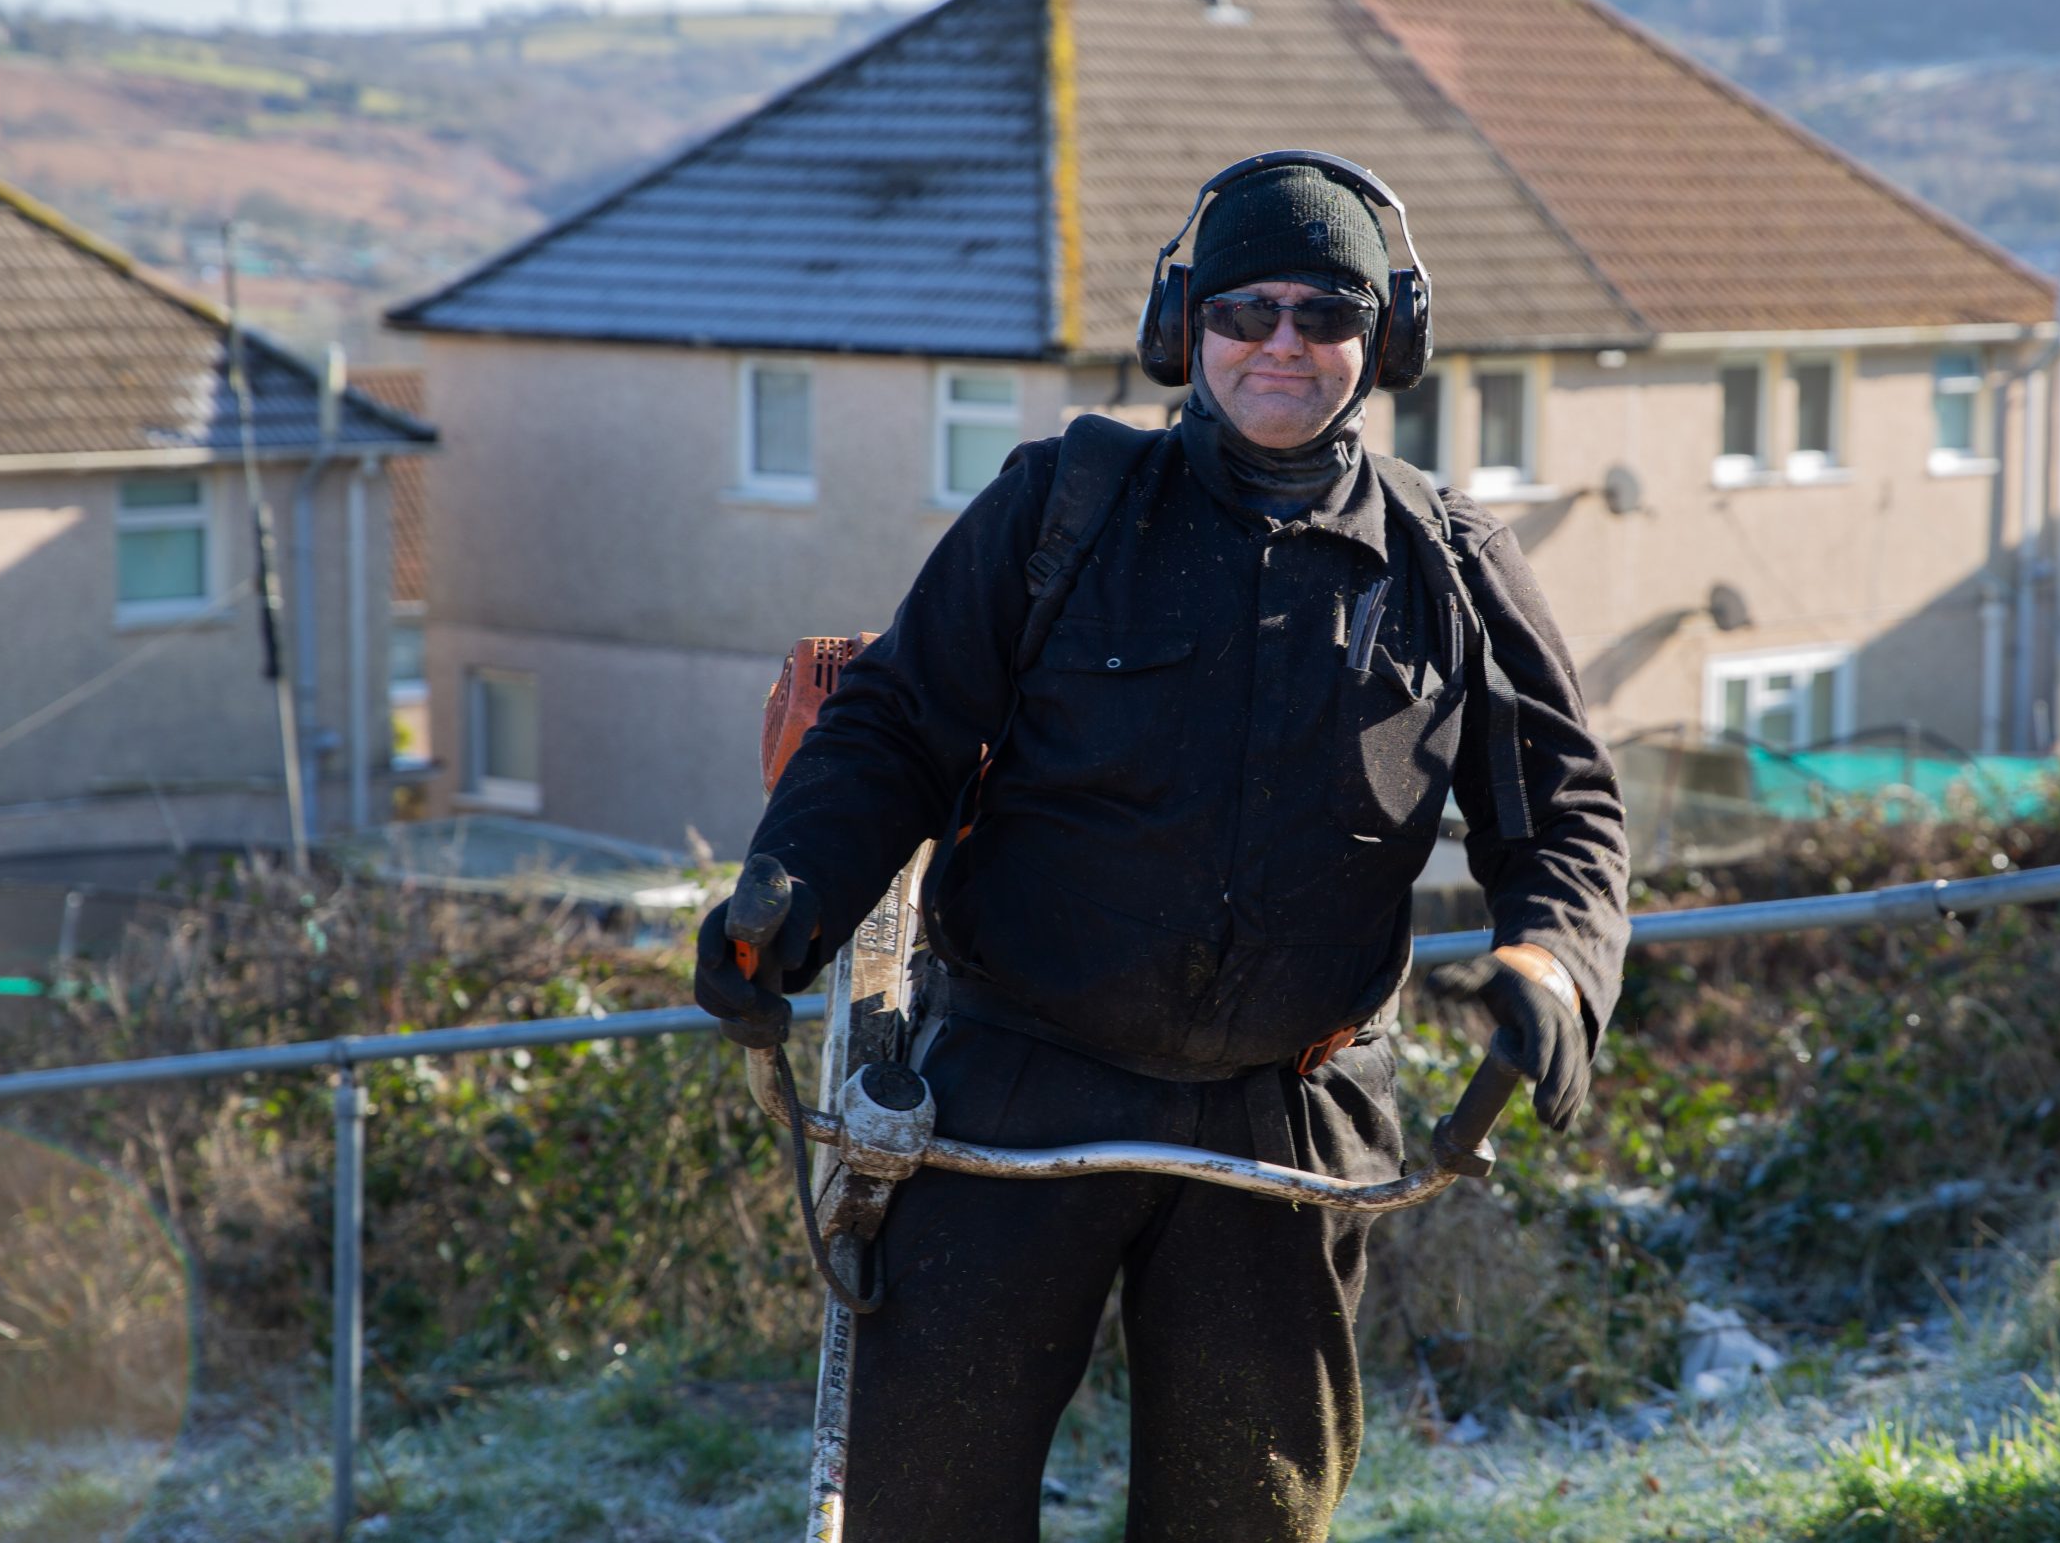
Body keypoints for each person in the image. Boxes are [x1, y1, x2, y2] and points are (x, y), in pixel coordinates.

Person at [693, 154, 1629, 1542]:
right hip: (1016, 1087)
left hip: (1288, 1125)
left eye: (1327, 314)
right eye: (1247, 310)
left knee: (1244, 1522)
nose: (1283, 345)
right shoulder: (1058, 509)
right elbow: (893, 730)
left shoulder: (1452, 566)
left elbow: (1564, 813)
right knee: (930, 1507)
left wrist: (1556, 966)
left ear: (1387, 341)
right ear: (1185, 325)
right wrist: (792, 890)